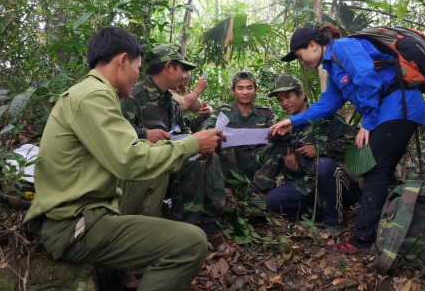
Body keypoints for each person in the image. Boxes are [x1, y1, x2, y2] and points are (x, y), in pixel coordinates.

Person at [23, 27, 223, 291]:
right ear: (122, 60)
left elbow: (128, 152)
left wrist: (172, 144)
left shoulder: (95, 92)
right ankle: (142, 257)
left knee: (159, 163)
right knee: (191, 243)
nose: (138, 75)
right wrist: (192, 144)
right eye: (138, 67)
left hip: (89, 209)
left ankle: (139, 252)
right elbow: (129, 160)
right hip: (75, 225)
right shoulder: (93, 96)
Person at [270, 24, 425, 253]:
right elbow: (327, 104)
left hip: (399, 107)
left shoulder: (343, 48)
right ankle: (392, 231)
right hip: (391, 111)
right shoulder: (334, 67)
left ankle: (362, 241)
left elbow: (367, 78)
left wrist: (367, 122)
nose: (302, 61)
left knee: (374, 169)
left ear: (313, 45)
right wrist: (292, 121)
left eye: (300, 56)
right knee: (381, 171)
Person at [120, 44, 233, 254]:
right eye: (182, 68)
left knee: (209, 157)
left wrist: (203, 132)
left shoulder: (170, 101)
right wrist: (145, 134)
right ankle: (185, 229)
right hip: (148, 169)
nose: (185, 75)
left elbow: (183, 131)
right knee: (189, 165)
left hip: (171, 159)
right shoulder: (133, 96)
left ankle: (209, 221)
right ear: (169, 66)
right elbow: (116, 136)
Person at [253, 74, 360, 235]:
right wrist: (292, 168)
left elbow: (354, 141)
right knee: (273, 199)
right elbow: (298, 173)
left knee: (323, 165)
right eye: (280, 100)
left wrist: (320, 149)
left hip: (342, 185)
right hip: (310, 187)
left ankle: (335, 222)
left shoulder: (324, 117)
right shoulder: (290, 129)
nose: (284, 103)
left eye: (288, 97)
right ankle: (319, 213)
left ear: (301, 94)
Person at [202, 71, 275, 180]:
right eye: (240, 88)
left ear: (256, 89)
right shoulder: (224, 111)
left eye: (249, 88)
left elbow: (279, 130)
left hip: (257, 161)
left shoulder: (266, 113)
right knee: (211, 141)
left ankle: (260, 186)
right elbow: (208, 128)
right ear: (233, 91)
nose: (245, 92)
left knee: (280, 145)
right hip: (229, 161)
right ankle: (220, 184)